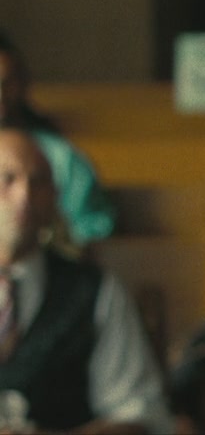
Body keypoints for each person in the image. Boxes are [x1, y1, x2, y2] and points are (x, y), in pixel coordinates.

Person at [0, 126, 171, 434]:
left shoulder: (93, 291)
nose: (24, 195)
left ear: (54, 197)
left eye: (38, 182)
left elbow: (140, 415)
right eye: (7, 179)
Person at [0, 31, 114, 245]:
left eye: (7, 83)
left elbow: (94, 233)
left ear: (23, 84)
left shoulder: (62, 159)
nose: (0, 94)